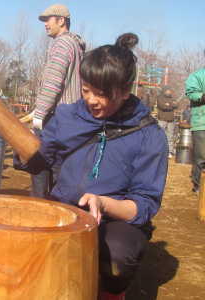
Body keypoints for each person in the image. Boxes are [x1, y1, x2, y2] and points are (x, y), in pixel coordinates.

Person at [14, 34, 168, 300]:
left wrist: (103, 203)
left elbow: (144, 203)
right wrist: (20, 144)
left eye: (102, 94)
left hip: (114, 218)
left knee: (117, 255)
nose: (92, 100)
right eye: (86, 90)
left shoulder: (149, 134)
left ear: (125, 91)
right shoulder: (68, 116)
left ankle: (111, 293)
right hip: (64, 207)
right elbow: (40, 159)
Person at [31, 4, 85, 198]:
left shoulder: (62, 44)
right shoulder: (75, 44)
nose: (45, 24)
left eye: (48, 19)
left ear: (61, 21)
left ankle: (40, 210)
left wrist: (39, 114)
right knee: (61, 169)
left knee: (39, 163)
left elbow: (54, 82)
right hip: (71, 116)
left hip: (58, 117)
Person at [185, 61, 205, 193]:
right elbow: (191, 92)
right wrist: (202, 96)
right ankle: (197, 185)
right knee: (201, 156)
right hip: (201, 122)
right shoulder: (197, 76)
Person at [157, 87, 178, 158]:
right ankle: (159, 151)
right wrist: (171, 105)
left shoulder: (172, 98)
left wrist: (168, 104)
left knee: (170, 137)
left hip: (171, 120)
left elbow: (176, 105)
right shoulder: (160, 97)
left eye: (170, 90)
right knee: (160, 136)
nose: (169, 92)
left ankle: (170, 152)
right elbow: (162, 106)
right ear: (164, 91)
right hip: (162, 120)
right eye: (167, 90)